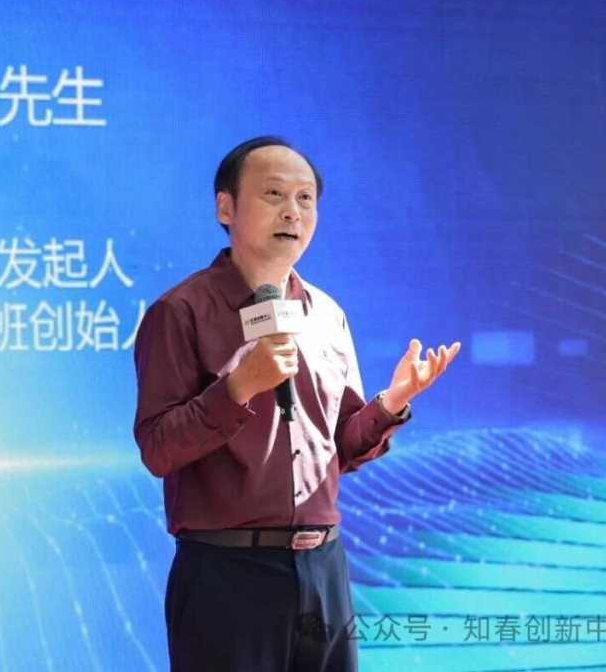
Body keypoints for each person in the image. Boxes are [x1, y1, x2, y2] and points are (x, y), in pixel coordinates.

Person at [132, 136, 460, 671]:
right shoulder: (181, 312)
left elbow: (341, 448)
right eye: (274, 194)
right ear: (225, 207)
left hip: (324, 568)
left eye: (306, 198)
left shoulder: (327, 314)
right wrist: (238, 387)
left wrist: (391, 403)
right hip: (228, 575)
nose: (293, 211)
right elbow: (157, 448)